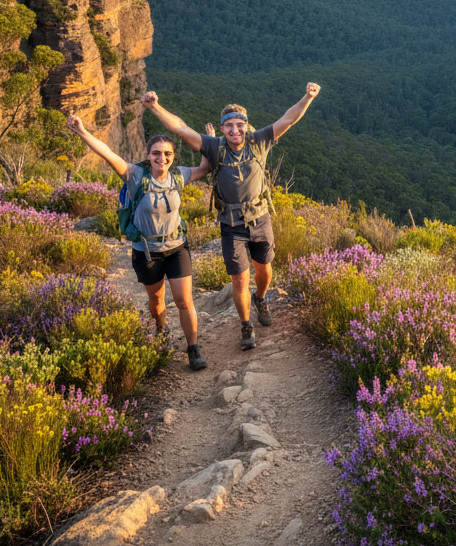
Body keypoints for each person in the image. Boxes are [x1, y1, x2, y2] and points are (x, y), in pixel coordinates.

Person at [141, 84, 321, 350]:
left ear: (246, 126)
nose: (235, 130)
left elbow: (288, 118)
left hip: (260, 218)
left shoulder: (259, 141)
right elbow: (180, 128)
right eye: (229, 126)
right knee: (239, 278)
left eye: (239, 125)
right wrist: (154, 106)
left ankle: (260, 298)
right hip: (231, 224)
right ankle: (246, 325)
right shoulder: (214, 147)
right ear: (223, 129)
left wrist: (308, 97)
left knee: (265, 269)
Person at [66, 115, 211, 372]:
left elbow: (204, 169)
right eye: (156, 153)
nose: (161, 158)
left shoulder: (179, 176)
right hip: (146, 252)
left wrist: (208, 141)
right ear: (148, 155)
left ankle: (193, 348)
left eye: (167, 154)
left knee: (184, 301)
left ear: (173, 157)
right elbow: (107, 153)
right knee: (156, 301)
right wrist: (82, 131)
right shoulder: (134, 175)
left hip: (177, 247)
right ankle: (161, 329)